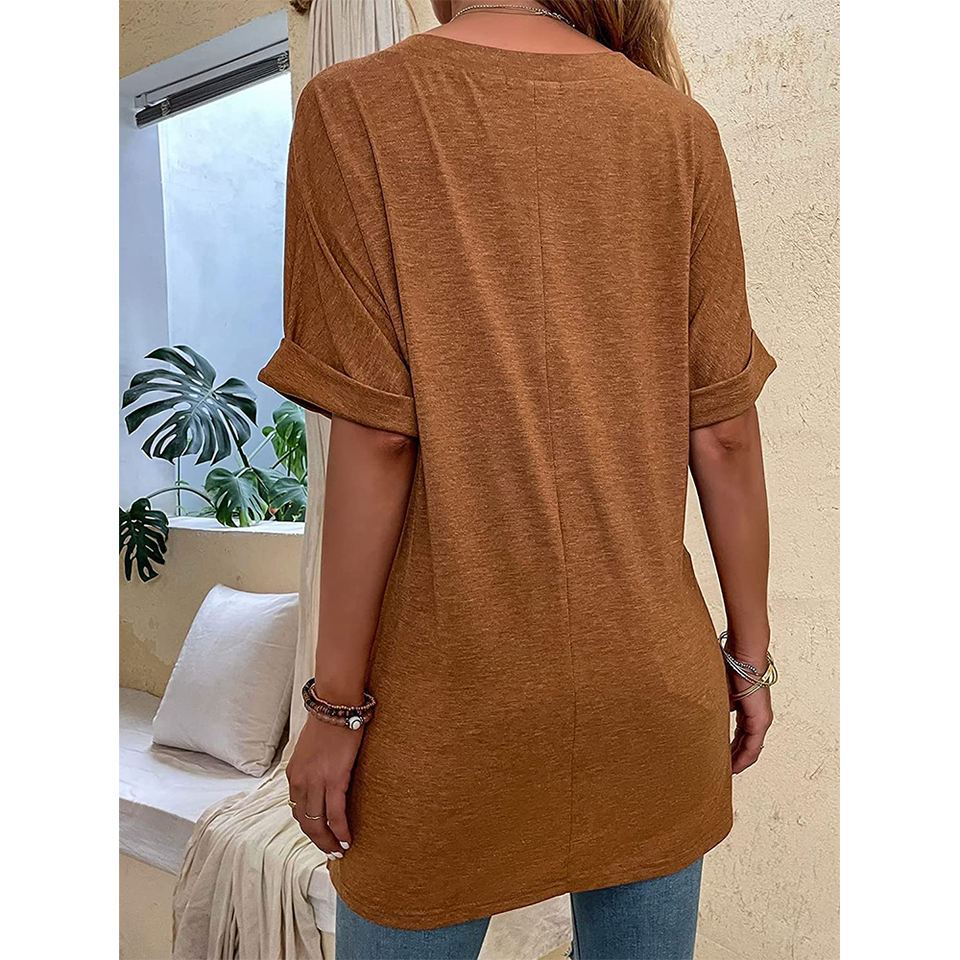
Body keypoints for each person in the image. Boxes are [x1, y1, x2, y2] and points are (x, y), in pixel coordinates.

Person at [258, 2, 778, 957]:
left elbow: (378, 440)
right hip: (653, 695)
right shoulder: (678, 129)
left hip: (444, 711)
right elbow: (725, 437)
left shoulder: (353, 109)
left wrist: (333, 708)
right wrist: (748, 662)